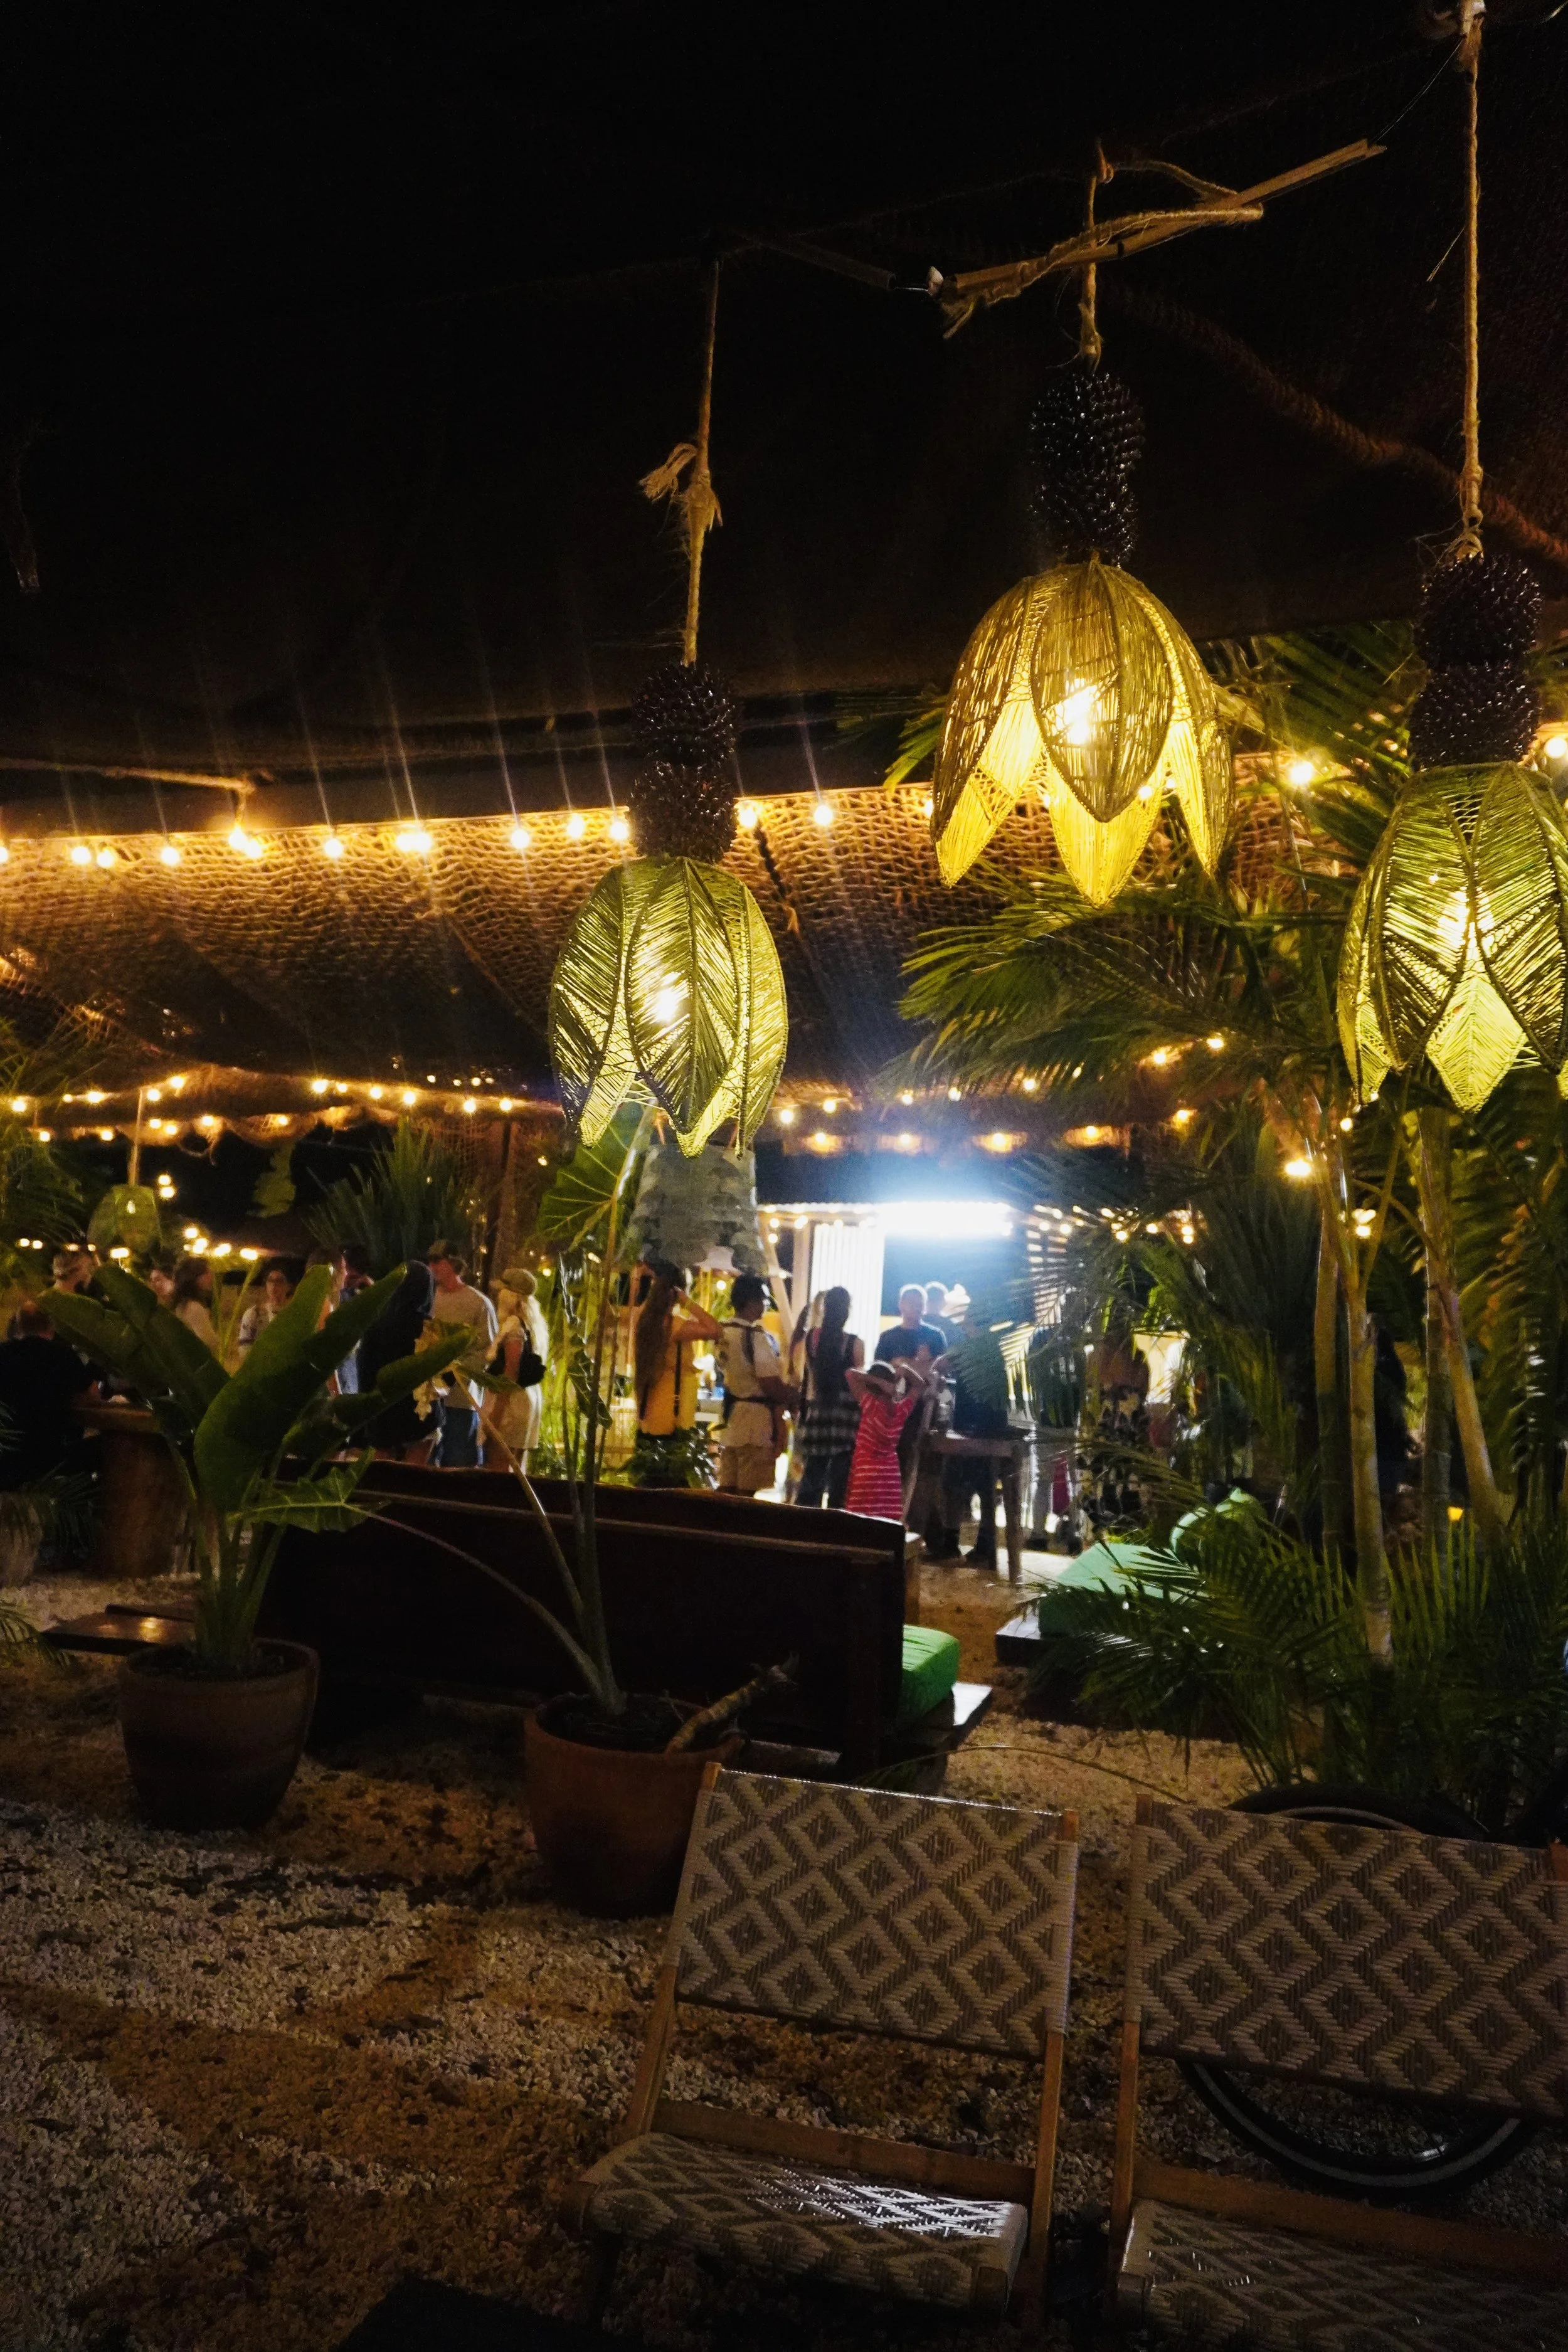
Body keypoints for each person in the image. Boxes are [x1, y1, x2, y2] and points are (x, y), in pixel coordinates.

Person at [633, 1261, 723, 1473]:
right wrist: (687, 1302)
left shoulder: (643, 1321)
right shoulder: (673, 1325)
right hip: (672, 1416)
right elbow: (715, 1329)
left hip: (648, 1414)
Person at [0, 1301, 97, 1489]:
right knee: (102, 1448)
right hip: (51, 1460)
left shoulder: (3, 1353)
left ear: (17, 1327)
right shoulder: (63, 1354)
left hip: (6, 1462)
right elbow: (93, 1398)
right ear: (51, 1327)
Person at [354, 1259, 443, 1462]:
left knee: (383, 1478)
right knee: (412, 1479)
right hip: (421, 1415)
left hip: (383, 1412)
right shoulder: (430, 1329)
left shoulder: (376, 1325)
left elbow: (365, 1369)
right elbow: (443, 1376)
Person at [717, 1271, 794, 1496]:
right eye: (764, 1299)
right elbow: (770, 1383)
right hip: (755, 1422)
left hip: (731, 1418)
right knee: (747, 1494)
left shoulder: (723, 1331)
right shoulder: (755, 1336)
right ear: (752, 1302)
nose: (765, 1305)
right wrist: (792, 1396)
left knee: (727, 1488)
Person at [795, 1283, 864, 1510]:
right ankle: (835, 1531)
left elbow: (811, 1378)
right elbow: (858, 1387)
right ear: (847, 1311)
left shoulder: (811, 1339)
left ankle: (804, 1527)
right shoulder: (855, 1344)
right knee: (840, 1484)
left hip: (819, 1413)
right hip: (846, 1418)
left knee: (812, 1478)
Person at [428, 1243, 498, 1466]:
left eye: (438, 1260)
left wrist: (455, 1374)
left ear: (453, 1263)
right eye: (430, 1261)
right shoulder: (428, 1299)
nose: (432, 1266)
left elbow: (488, 1350)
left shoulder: (479, 1304)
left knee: (459, 1468)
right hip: (428, 1400)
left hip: (461, 1402)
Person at [485, 1264, 553, 1470]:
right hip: (529, 1398)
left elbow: (511, 1370)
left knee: (499, 1466)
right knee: (517, 1468)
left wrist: (496, 1413)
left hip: (511, 1403)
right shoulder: (534, 1324)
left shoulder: (514, 1325)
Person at [844, 1357, 930, 1520]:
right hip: (889, 1478)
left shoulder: (870, 1405)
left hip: (865, 1474)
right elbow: (920, 1385)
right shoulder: (901, 1411)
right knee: (885, 1526)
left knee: (859, 1526)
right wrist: (905, 1369)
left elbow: (850, 1374)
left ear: (871, 1388)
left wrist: (879, 1383)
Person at [874, 1285, 948, 1369]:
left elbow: (943, 1370)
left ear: (925, 1308)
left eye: (920, 1305)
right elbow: (878, 1371)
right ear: (901, 1305)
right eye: (912, 1304)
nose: (916, 1308)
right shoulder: (887, 1337)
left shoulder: (936, 1336)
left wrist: (927, 1361)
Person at [236, 1259, 294, 1354]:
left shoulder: (293, 1315)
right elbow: (244, 1348)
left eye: (280, 1281)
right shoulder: (254, 1314)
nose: (274, 1285)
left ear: (288, 1286)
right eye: (270, 1281)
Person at [171, 1256, 218, 1351]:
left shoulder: (181, 1304)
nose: (211, 1276)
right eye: (206, 1273)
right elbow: (209, 1342)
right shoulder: (194, 1308)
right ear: (196, 1278)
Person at [923, 1281, 960, 1350]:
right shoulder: (950, 1324)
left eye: (937, 1299)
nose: (934, 1302)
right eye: (932, 1299)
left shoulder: (914, 1323)